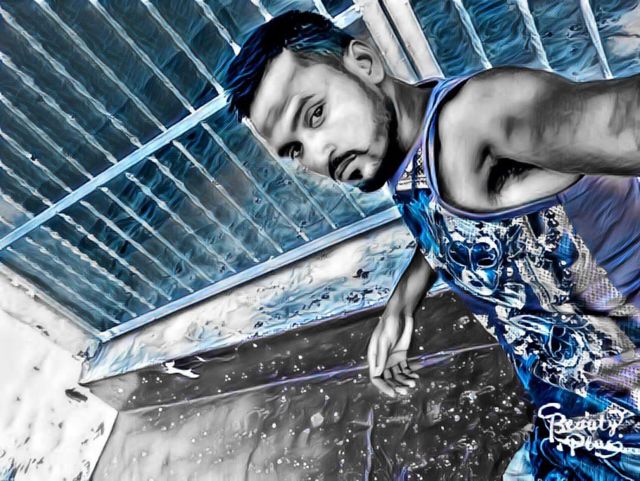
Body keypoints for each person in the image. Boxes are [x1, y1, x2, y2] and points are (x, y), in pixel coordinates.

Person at [225, 10, 640, 480]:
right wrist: (402, 302)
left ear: (363, 63)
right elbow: (445, 217)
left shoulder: (478, 118)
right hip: (570, 423)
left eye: (315, 114)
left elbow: (626, 120)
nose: (319, 155)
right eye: (295, 150)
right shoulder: (401, 143)